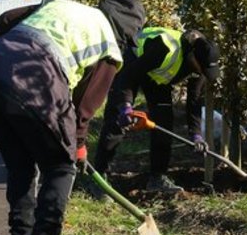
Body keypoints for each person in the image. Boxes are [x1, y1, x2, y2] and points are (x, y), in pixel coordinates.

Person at [0, 0, 147, 235]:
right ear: (126, 30)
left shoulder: (62, 6)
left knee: (20, 163)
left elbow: (7, 19)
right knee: (61, 165)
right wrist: (78, 146)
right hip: (32, 81)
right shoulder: (109, 47)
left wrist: (1, 57)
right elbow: (84, 108)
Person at [92, 24, 220, 193]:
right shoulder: (164, 48)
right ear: (192, 56)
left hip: (156, 77)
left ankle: (157, 177)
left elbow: (194, 101)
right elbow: (129, 76)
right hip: (135, 61)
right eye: (200, 68)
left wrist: (196, 134)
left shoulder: (200, 66)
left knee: (164, 122)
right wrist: (126, 106)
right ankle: (99, 178)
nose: (201, 72)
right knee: (117, 121)